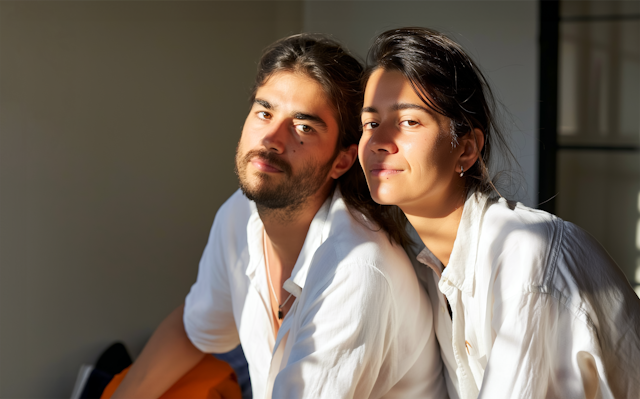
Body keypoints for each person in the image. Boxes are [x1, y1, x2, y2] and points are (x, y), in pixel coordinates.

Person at [109, 33, 447, 399]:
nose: (271, 137)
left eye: (303, 127)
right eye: (264, 112)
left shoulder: (358, 268)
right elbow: (194, 330)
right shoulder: (240, 215)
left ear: (342, 161)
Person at [358, 27, 640, 399]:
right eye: (371, 124)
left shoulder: (524, 255)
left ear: (467, 149)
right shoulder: (432, 269)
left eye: (409, 121)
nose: (379, 142)